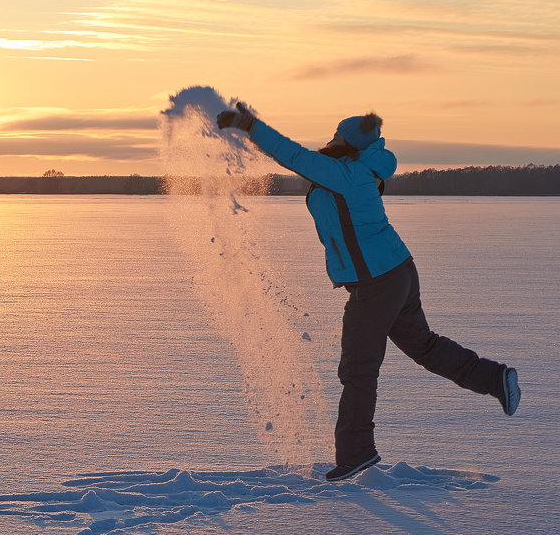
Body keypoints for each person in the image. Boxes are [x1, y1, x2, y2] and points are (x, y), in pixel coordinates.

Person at [215, 103, 520, 481]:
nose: (332, 140)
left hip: (378, 281)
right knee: (423, 346)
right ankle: (496, 378)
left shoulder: (348, 173)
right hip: (395, 271)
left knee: (358, 368)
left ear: (350, 143)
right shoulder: (356, 169)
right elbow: (300, 162)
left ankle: (356, 454)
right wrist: (250, 132)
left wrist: (250, 126)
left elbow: (293, 155)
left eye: (338, 136)